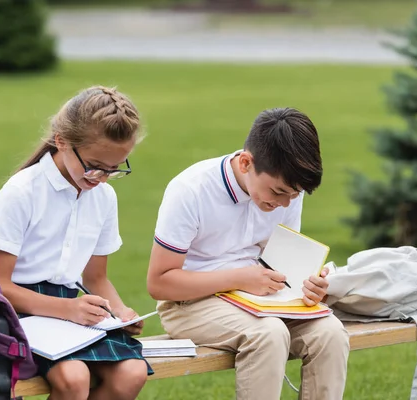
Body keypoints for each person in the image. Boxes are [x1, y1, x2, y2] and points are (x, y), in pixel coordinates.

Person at [147, 107, 349, 400]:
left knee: (330, 333)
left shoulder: (289, 190)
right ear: (245, 162)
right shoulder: (190, 190)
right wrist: (239, 278)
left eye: (293, 196)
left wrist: (309, 281)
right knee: (268, 334)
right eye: (277, 192)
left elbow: (280, 260)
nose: (284, 203)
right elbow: (160, 283)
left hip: (259, 297)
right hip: (188, 304)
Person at [0, 86, 152, 400]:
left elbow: (95, 278)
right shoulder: (22, 192)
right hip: (14, 308)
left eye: (114, 169)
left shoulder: (104, 197)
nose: (102, 177)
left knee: (133, 373)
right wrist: (67, 309)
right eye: (95, 165)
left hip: (73, 308)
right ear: (62, 141)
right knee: (73, 378)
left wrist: (121, 312)